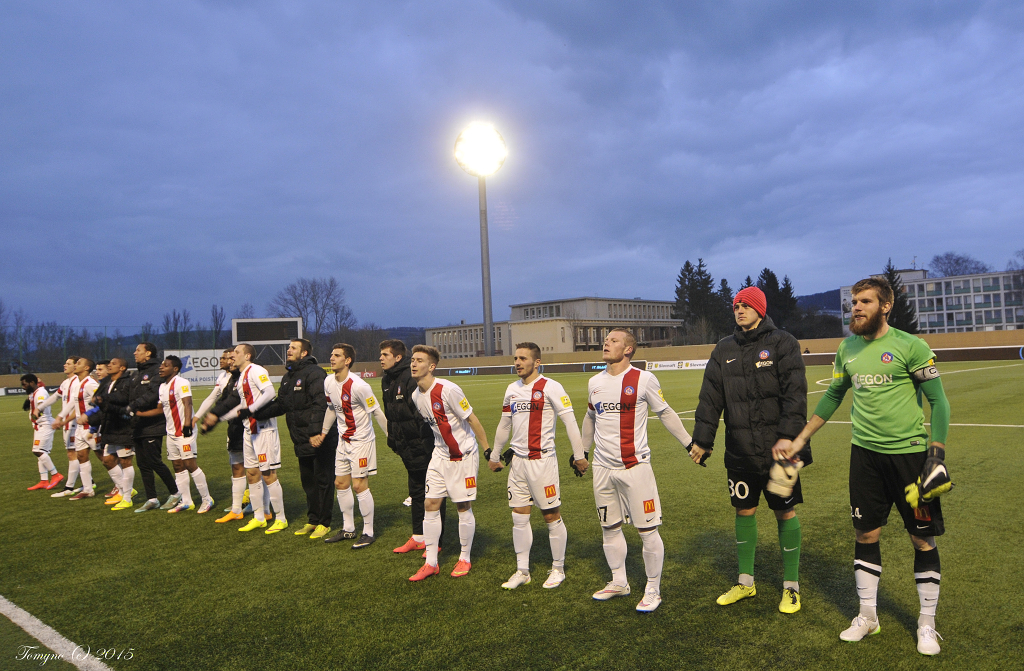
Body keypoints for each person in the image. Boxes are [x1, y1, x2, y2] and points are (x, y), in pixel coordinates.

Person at [779, 276, 952, 656]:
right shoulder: (847, 348)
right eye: (853, 302)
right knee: (865, 535)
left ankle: (926, 623)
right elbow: (833, 395)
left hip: (910, 458)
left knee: (922, 538)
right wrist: (801, 438)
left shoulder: (911, 346)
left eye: (865, 301)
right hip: (865, 457)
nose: (855, 307)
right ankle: (867, 616)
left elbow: (939, 402)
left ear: (885, 306)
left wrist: (936, 453)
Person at [691, 285, 810, 614]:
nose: (739, 310)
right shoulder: (723, 349)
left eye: (745, 305)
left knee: (785, 511)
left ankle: (791, 587)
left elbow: (795, 395)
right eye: (735, 306)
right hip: (740, 450)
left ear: (760, 309)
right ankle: (746, 583)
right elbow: (710, 398)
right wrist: (702, 440)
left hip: (780, 451)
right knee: (744, 510)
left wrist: (788, 437)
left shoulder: (783, 342)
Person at [583, 328, 693, 612]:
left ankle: (653, 589)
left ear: (628, 349)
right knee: (609, 527)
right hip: (602, 468)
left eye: (614, 340)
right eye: (606, 340)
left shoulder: (644, 379)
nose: (606, 343)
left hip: (635, 467)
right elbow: (590, 416)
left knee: (647, 530)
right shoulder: (594, 382)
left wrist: (689, 443)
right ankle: (619, 581)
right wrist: (582, 452)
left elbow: (665, 412)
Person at [489, 342, 588, 590]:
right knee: (519, 516)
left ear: (537, 362)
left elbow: (570, 422)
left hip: (542, 462)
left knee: (551, 515)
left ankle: (558, 569)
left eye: (523, 358)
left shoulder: (551, 387)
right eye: (515, 358)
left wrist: (579, 455)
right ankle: (522, 571)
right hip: (518, 463)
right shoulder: (512, 389)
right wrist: (495, 455)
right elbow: (504, 424)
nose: (518, 363)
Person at [407, 345, 491, 581]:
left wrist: (487, 450)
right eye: (412, 360)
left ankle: (465, 557)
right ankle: (431, 563)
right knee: (430, 504)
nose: (413, 364)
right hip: (440, 455)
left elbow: (471, 419)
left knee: (462, 506)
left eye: (419, 360)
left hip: (463, 455)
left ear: (431, 366)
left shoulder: (449, 390)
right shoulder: (415, 396)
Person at [256, 339, 337, 540]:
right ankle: (313, 520)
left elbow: (320, 404)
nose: (288, 350)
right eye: (289, 348)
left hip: (319, 438)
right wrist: (255, 412)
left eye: (293, 348)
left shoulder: (315, 373)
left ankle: (324, 522)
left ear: (304, 353)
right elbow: (281, 405)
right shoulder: (288, 377)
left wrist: (315, 432)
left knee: (323, 480)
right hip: (300, 439)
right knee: (308, 482)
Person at [314, 343, 388, 547]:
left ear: (347, 361)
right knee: (340, 483)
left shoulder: (359, 386)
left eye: (337, 355)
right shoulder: (328, 381)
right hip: (343, 441)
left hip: (361, 441)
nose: (332, 358)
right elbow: (331, 408)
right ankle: (348, 529)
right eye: (331, 354)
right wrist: (323, 432)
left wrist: (391, 436)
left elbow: (376, 412)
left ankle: (369, 532)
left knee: (359, 485)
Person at [378, 339, 448, 556]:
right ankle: (418, 537)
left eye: (385, 355)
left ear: (398, 357)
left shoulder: (410, 377)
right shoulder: (387, 380)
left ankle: (435, 541)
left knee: (433, 494)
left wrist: (424, 444)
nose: (381, 358)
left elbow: (421, 414)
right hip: (406, 446)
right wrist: (393, 439)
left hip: (422, 446)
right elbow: (390, 413)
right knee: (416, 492)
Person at [212, 344, 288, 534]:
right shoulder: (241, 377)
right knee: (252, 474)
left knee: (268, 474)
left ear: (247, 356)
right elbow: (241, 407)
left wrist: (252, 410)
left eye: (237, 353)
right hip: (249, 431)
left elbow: (270, 393)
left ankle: (281, 519)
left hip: (263, 430)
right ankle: (259, 517)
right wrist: (218, 418)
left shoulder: (256, 370)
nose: (232, 355)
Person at [135, 356, 214, 513]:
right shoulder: (162, 387)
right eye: (161, 365)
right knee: (177, 465)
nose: (161, 367)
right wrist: (138, 414)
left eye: (165, 365)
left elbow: (187, 403)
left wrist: (187, 424)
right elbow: (160, 409)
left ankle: (207, 499)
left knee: (190, 464)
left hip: (184, 431)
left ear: (175, 369)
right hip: (170, 432)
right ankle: (186, 501)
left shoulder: (181, 382)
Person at [195, 350, 252, 523]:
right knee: (237, 466)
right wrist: (209, 417)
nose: (228, 361)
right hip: (234, 427)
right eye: (228, 358)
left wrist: (216, 417)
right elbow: (223, 401)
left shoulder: (250, 375)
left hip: (250, 427)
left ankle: (261, 507)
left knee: (255, 469)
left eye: (232, 357)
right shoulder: (230, 378)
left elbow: (241, 403)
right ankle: (237, 508)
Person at [125, 343, 181, 512]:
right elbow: (129, 396)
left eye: (138, 350)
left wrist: (134, 405)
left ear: (148, 353)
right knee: (142, 464)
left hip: (153, 424)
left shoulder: (157, 371)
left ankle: (176, 492)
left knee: (154, 461)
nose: (134, 353)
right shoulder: (136, 374)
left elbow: (153, 394)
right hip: (137, 424)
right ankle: (152, 499)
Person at [52, 357, 100, 501]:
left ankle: (124, 488)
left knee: (105, 459)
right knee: (81, 456)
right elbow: (75, 406)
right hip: (80, 428)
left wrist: (90, 417)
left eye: (78, 363)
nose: (75, 365)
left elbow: (102, 403)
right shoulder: (78, 384)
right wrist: (63, 419)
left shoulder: (91, 384)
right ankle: (88, 489)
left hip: (91, 427)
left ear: (86, 368)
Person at [94, 358, 138, 510]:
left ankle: (127, 498)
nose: (109, 365)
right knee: (107, 460)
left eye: (113, 364)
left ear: (122, 368)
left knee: (126, 462)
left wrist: (103, 399)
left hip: (123, 427)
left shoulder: (127, 382)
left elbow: (123, 398)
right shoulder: (108, 382)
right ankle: (126, 490)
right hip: (110, 427)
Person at [46, 357, 82, 497]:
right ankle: (88, 483)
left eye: (68, 363)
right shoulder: (66, 382)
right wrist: (40, 407)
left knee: (73, 454)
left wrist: (61, 418)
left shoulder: (77, 382)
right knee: (78, 454)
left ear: (76, 366)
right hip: (67, 423)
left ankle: (69, 487)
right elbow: (55, 397)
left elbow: (74, 404)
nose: (64, 365)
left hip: (74, 423)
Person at [21, 374, 62, 490]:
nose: (23, 387)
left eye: (24, 384)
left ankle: (55, 474)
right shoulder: (34, 392)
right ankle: (44, 480)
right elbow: (27, 405)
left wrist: (37, 413)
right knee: (41, 454)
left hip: (45, 425)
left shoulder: (40, 393)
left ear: (32, 383)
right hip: (39, 427)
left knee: (38, 451)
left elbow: (41, 405)